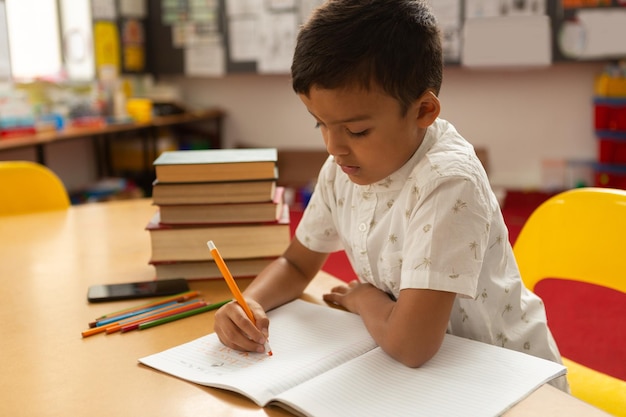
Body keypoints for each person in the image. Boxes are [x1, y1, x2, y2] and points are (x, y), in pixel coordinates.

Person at [214, 0, 568, 391]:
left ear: (423, 111)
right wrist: (249, 305)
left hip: (507, 381)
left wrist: (365, 298)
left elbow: (412, 344)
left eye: (358, 131)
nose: (334, 146)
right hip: (427, 375)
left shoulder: (448, 181)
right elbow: (297, 264)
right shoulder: (341, 170)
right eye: (321, 124)